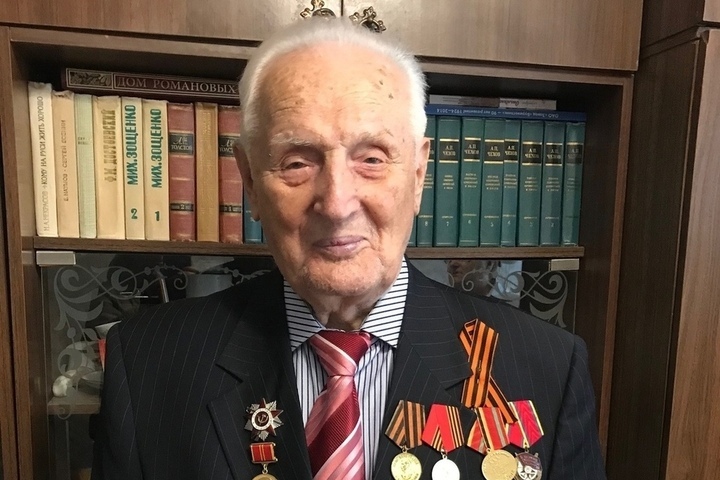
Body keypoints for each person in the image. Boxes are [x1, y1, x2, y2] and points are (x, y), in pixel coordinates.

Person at [91, 17, 606, 480]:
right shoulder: (147, 363)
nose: (337, 204)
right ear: (249, 181)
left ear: (419, 173)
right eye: (297, 162)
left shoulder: (546, 367)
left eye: (372, 158)